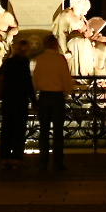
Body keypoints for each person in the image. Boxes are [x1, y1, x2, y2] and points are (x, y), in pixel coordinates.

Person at [32, 35, 75, 171]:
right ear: (55, 45)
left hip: (44, 97)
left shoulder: (41, 59)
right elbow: (66, 78)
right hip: (57, 97)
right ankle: (58, 161)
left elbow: (35, 79)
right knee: (58, 132)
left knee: (44, 131)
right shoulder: (59, 59)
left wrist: (34, 98)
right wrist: (69, 92)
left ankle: (43, 161)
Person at [0, 39, 34, 169]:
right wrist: (34, 101)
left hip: (8, 100)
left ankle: (4, 158)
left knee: (6, 130)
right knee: (19, 131)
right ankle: (16, 159)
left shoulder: (8, 62)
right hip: (21, 101)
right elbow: (28, 83)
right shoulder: (25, 62)